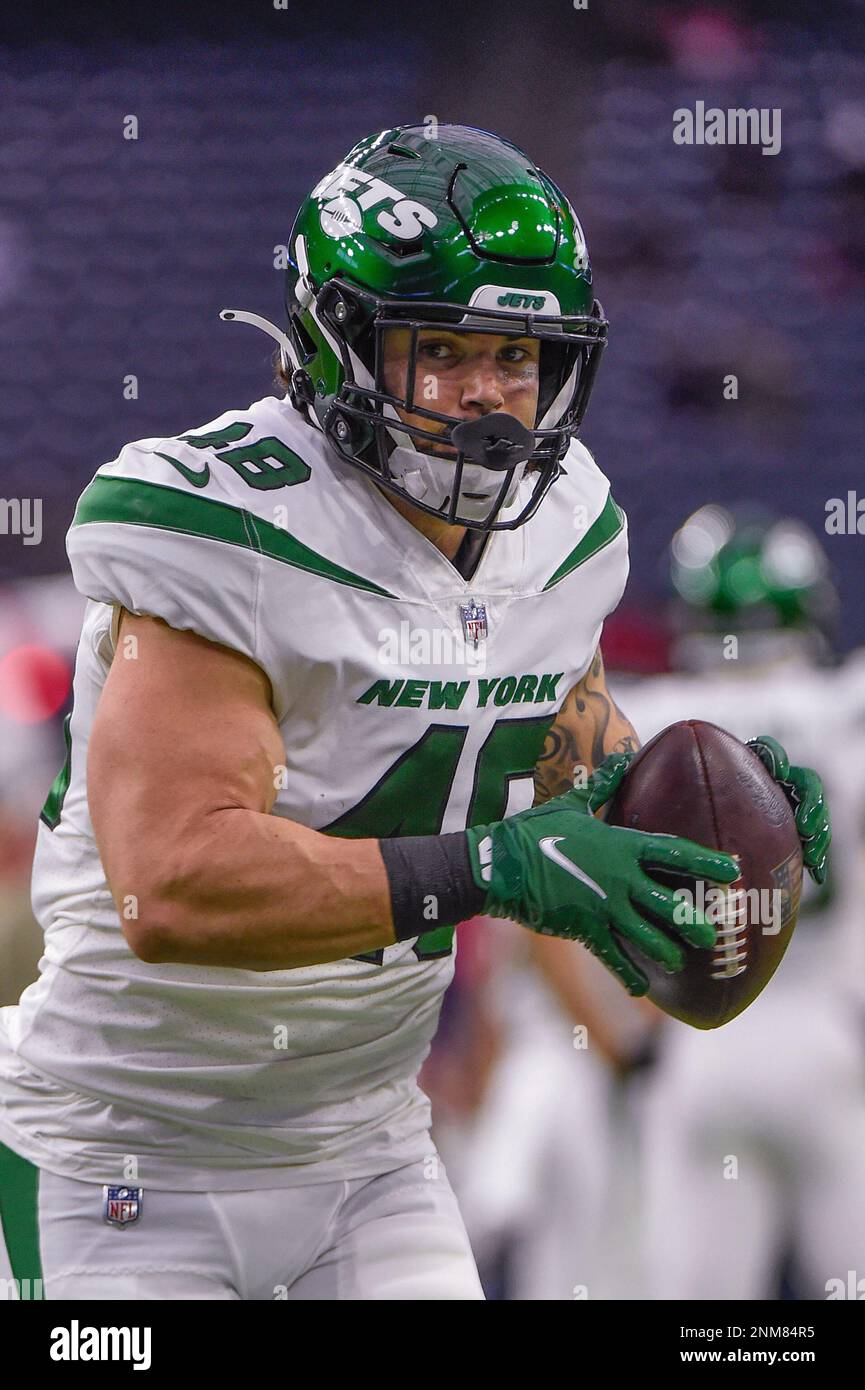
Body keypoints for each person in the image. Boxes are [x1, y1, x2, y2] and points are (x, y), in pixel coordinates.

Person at [0, 126, 825, 1301]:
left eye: (518, 354)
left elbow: (564, 754)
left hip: (366, 1156)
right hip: (124, 1154)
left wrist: (707, 840)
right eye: (441, 351)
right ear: (338, 347)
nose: (489, 397)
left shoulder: (563, 533)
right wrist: (491, 868)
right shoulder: (225, 523)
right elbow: (172, 884)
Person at [620, 506, 863, 1300]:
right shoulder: (844, 708)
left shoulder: (644, 722)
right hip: (829, 1042)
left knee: (704, 1317)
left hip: (700, 1047)